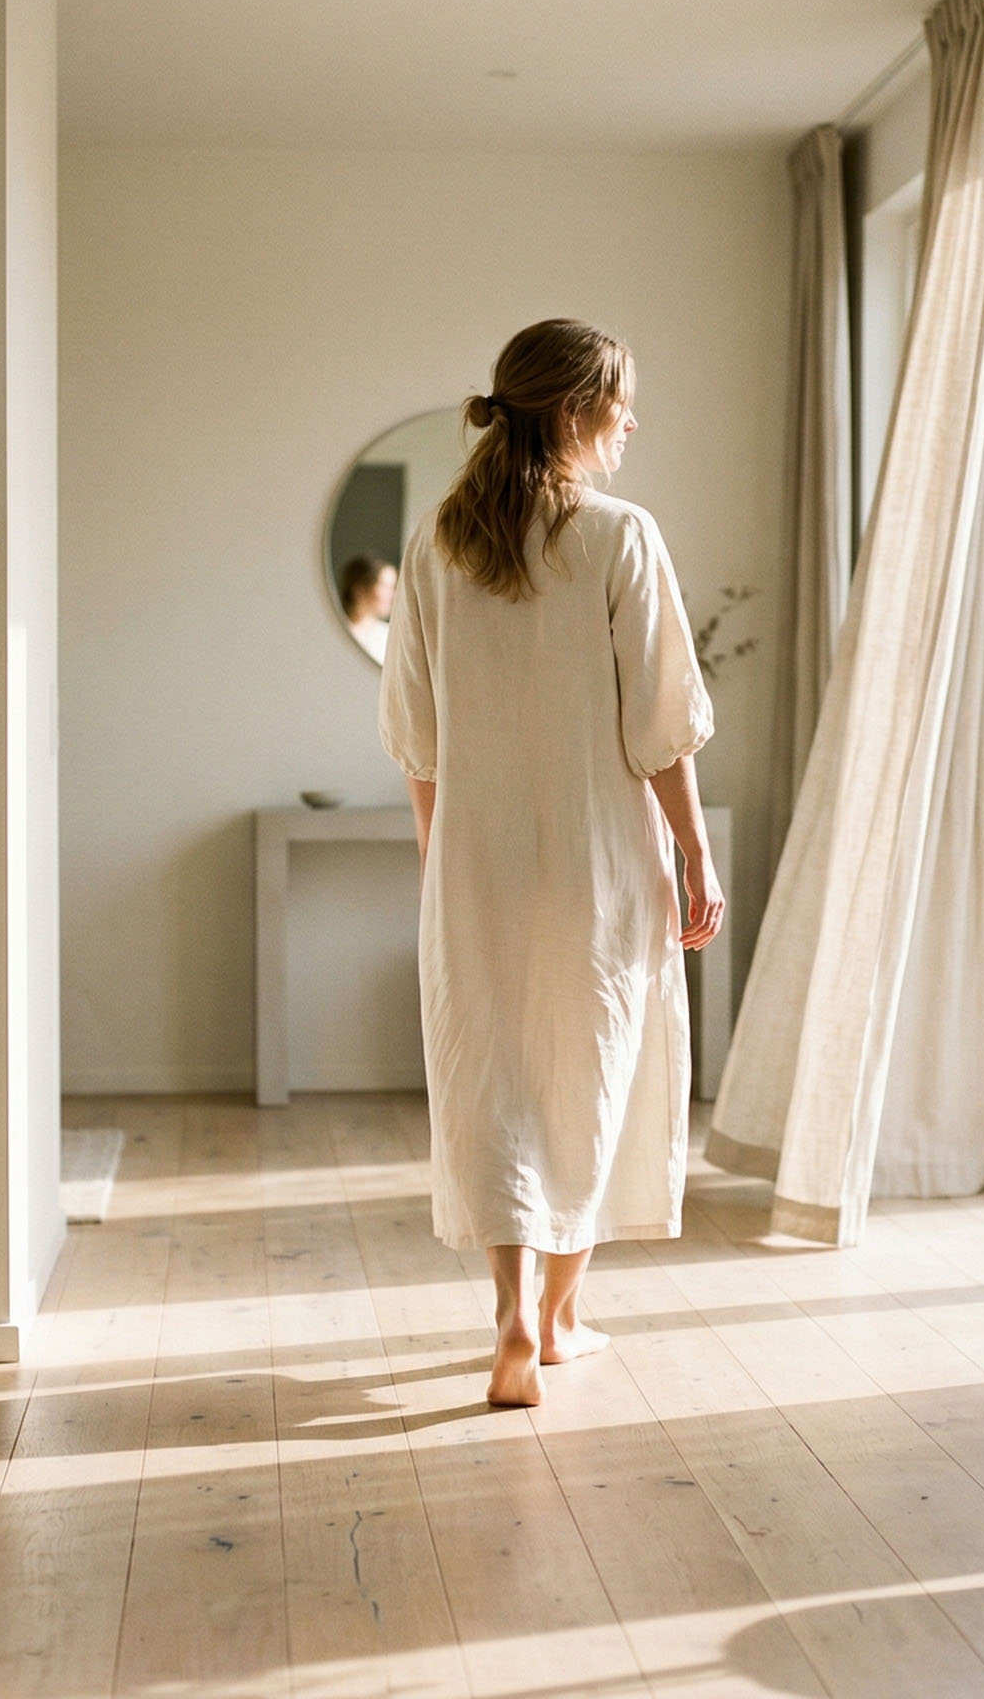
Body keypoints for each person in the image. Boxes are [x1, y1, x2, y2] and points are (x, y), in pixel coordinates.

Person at [377, 318, 723, 1408]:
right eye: (621, 402)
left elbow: (417, 735)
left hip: (475, 857)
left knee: (492, 1077)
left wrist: (439, 858)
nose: (633, 423)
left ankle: (512, 1317)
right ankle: (562, 1320)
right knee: (596, 1066)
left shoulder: (438, 542)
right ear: (576, 411)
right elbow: (660, 728)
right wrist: (697, 854)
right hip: (599, 857)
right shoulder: (621, 536)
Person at [338, 553, 397, 662]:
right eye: (384, 587)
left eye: (392, 587)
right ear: (359, 590)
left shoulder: (389, 636)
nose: (392, 595)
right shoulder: (335, 629)